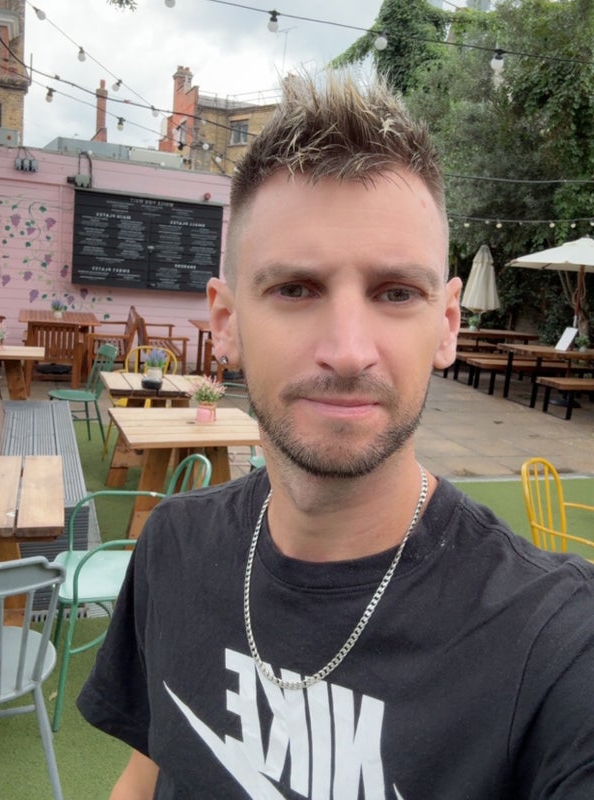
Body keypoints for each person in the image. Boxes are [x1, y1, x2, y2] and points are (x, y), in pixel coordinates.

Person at [77, 73, 594, 799]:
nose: (349, 352)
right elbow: (146, 774)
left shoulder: (556, 641)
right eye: (295, 289)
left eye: (396, 293)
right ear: (226, 322)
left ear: (447, 324)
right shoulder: (173, 547)